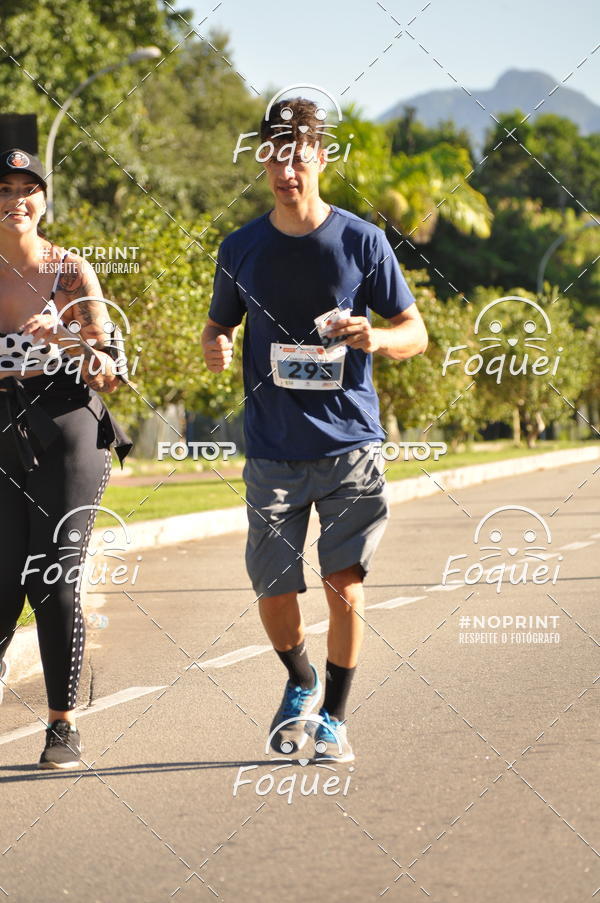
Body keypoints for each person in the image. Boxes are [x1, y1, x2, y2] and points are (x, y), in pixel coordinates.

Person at [202, 99, 427, 763]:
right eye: (275, 157)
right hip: (273, 448)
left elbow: (415, 332)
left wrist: (377, 338)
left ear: (322, 157)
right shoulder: (240, 247)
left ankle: (334, 717)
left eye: (298, 157)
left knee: (343, 583)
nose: (286, 171)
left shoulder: (362, 241)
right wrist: (216, 344)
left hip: (349, 443)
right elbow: (219, 324)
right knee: (272, 588)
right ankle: (300, 678)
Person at [0, 148, 132, 768]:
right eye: (4, 189)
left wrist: (72, 338)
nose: (15, 201)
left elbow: (110, 371)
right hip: (3, 426)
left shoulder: (71, 271)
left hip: (67, 425)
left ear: (44, 201)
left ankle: (62, 725)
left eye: (27, 190)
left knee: (52, 579)